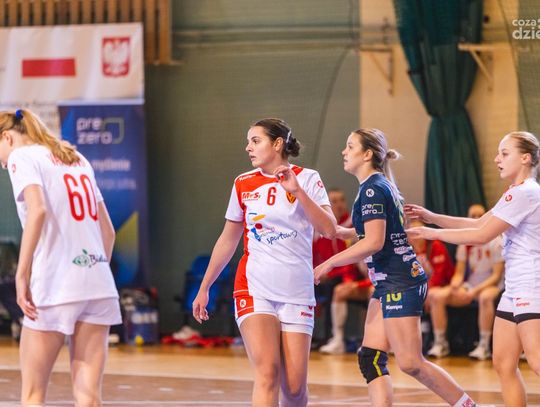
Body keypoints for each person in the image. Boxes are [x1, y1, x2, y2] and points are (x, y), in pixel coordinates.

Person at [314, 128, 476, 407]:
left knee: (411, 363)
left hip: (399, 282)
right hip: (390, 281)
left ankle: (469, 405)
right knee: (371, 358)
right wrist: (343, 232)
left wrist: (329, 262)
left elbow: (374, 242)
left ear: (367, 154)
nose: (343, 151)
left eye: (350, 146)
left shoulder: (373, 189)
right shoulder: (377, 185)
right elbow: (382, 232)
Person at [192, 118, 336, 407]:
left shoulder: (308, 178)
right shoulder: (243, 183)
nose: (248, 147)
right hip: (254, 287)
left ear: (278, 143)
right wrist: (205, 286)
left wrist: (297, 191)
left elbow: (329, 229)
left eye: (255, 141)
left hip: (296, 290)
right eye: (249, 142)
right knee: (267, 374)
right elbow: (228, 239)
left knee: (294, 389)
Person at [405, 131, 540, 407]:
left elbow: (481, 236)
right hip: (514, 288)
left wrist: (430, 233)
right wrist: (432, 218)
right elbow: (478, 223)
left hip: (532, 285)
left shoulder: (526, 192)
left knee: (537, 360)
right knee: (503, 363)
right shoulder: (514, 193)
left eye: (504, 153)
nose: (497, 159)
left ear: (525, 158)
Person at [0, 109, 121, 407]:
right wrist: (92, 272)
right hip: (99, 284)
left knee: (33, 395)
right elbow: (108, 232)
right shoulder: (76, 157)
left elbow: (38, 210)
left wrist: (22, 274)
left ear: (6, 138)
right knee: (89, 397)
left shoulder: (21, 157)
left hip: (56, 284)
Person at [426, 204, 504, 359]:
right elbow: (459, 272)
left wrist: (474, 291)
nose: (476, 218)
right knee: (436, 296)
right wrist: (455, 284)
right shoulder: (465, 241)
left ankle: (484, 345)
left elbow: (496, 276)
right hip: (470, 286)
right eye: (472, 216)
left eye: (479, 215)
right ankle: (440, 343)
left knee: (485, 298)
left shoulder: (496, 241)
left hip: (492, 285)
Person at [312, 188, 370, 354]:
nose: (339, 205)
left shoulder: (355, 224)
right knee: (308, 285)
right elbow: (314, 256)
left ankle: (334, 337)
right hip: (331, 273)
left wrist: (333, 272)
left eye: (341, 200)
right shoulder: (319, 229)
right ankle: (313, 336)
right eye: (334, 201)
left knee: (333, 287)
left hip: (353, 275)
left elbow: (357, 257)